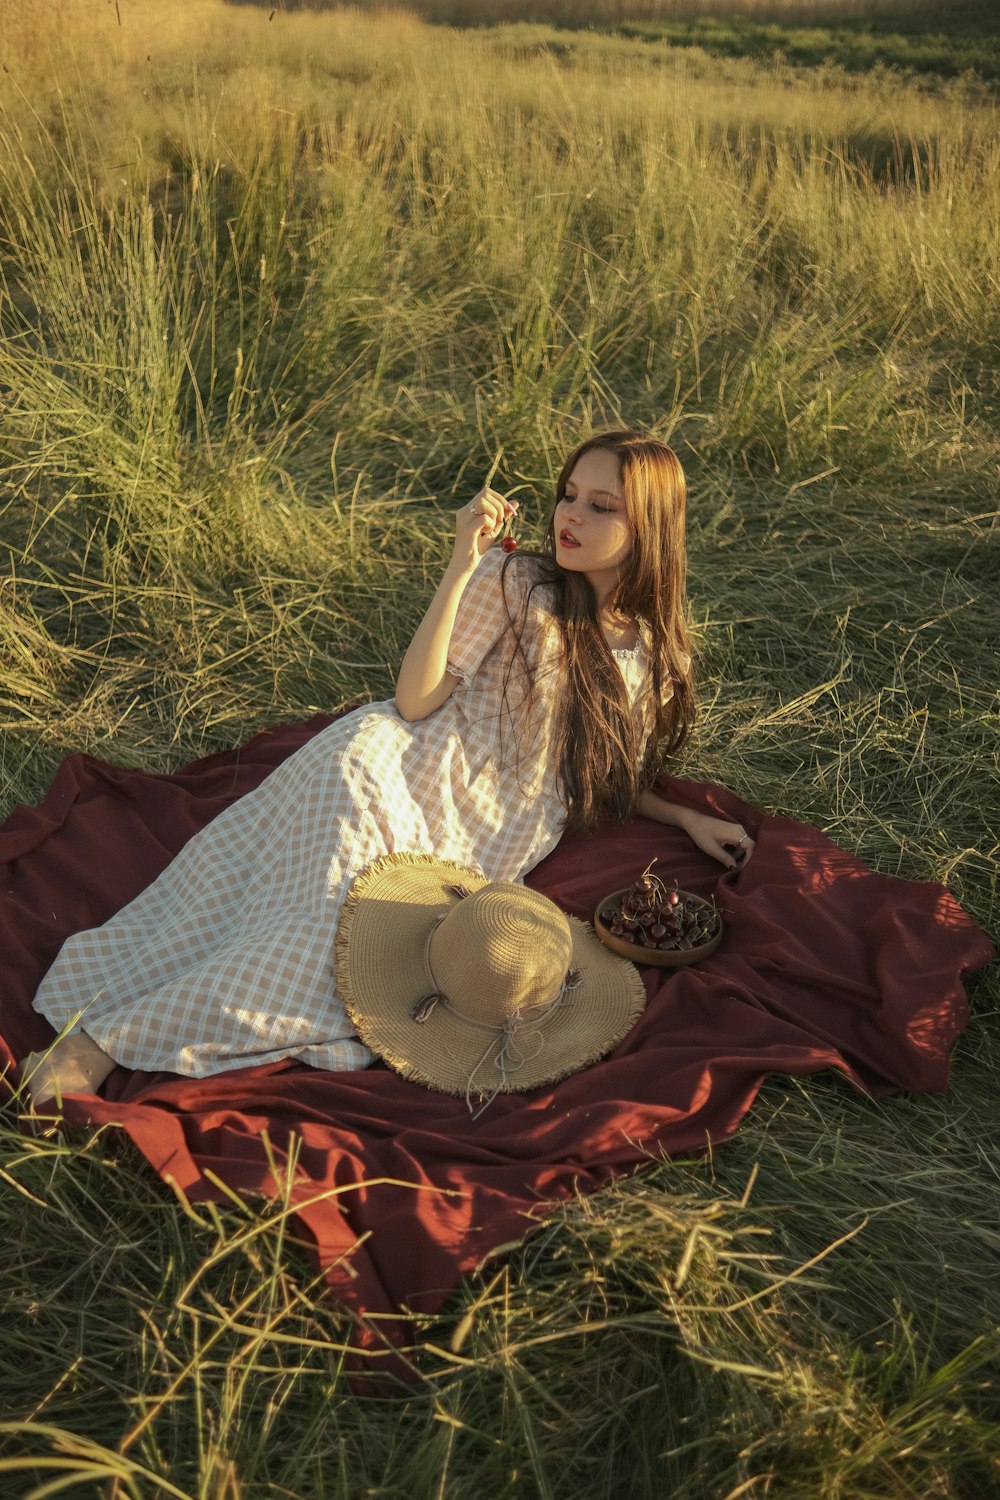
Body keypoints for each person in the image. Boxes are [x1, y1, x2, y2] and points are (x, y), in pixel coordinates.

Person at [21, 429, 755, 1109]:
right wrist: (462, 566)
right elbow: (415, 699)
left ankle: (121, 1033)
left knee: (349, 958)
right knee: (315, 922)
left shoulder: (656, 656)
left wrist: (686, 815)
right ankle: (98, 1042)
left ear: (649, 527)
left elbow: (605, 775)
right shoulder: (517, 585)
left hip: (488, 829)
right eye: (569, 494)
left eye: (602, 506)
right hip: (391, 763)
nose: (572, 515)